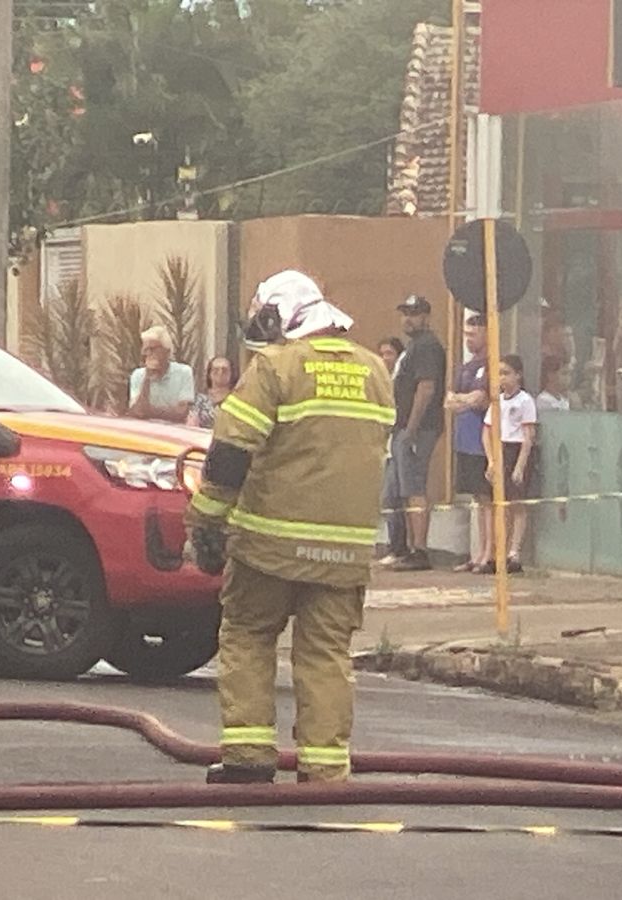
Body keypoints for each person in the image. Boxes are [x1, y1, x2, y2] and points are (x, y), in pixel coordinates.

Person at [186, 270, 395, 785]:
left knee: (249, 636)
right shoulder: (374, 371)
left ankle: (248, 760)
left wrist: (207, 524)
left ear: (280, 316)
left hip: (268, 545)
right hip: (345, 555)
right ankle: (324, 771)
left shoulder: (275, 368)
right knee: (325, 654)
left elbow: (231, 451)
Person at [386, 294, 445, 572]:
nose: (407, 318)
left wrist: (411, 429)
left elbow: (426, 388)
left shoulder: (427, 347)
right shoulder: (414, 346)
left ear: (426, 317)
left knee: (414, 487)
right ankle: (410, 548)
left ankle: (420, 550)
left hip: (418, 430)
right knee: (404, 490)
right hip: (403, 428)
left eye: (414, 313)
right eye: (405, 313)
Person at [442, 313, 493, 572]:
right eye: (466, 334)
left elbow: (482, 399)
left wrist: (465, 400)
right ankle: (478, 553)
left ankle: (489, 553)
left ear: (486, 333)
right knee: (476, 496)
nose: (468, 339)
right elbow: (450, 401)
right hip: (465, 439)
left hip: (483, 441)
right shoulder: (466, 367)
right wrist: (465, 399)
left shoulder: (492, 364)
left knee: (488, 498)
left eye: (473, 334)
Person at [483, 355, 537, 575]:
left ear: (518, 375)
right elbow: (487, 431)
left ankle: (514, 552)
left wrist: (520, 466)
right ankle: (499, 551)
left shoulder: (525, 401)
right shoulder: (498, 401)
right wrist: (491, 460)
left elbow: (528, 435)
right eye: (499, 373)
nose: (502, 378)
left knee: (517, 504)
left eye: (506, 373)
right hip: (501, 450)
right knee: (500, 505)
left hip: (517, 451)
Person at [375, 337, 408, 563]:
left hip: (394, 444)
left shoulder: (397, 381)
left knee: (393, 498)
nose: (385, 358)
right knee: (387, 499)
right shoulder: (379, 380)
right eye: (382, 353)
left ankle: (399, 547)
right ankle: (394, 545)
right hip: (382, 448)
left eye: (389, 353)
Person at [129, 325, 195, 423]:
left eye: (152, 349)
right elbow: (139, 412)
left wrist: (150, 411)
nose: (148, 354)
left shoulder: (184, 372)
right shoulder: (138, 375)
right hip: (146, 431)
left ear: (167, 351)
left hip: (176, 431)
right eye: (145, 350)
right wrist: (147, 379)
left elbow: (182, 412)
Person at [188, 356, 235, 428]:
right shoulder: (199, 399)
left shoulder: (237, 398)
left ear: (231, 374)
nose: (220, 372)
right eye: (216, 369)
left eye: (224, 370)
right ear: (209, 373)